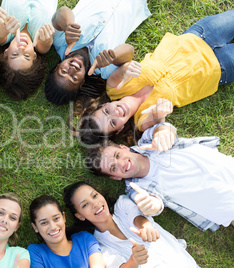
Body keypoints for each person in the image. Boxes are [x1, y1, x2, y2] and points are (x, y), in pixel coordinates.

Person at [78, 10, 234, 144]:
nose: (115, 113)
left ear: (102, 106)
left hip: (199, 36)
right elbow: (158, 124)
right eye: (113, 122)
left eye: (106, 112)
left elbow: (125, 64)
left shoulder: (114, 86)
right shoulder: (142, 121)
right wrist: (160, 117)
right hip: (218, 69)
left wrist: (126, 68)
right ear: (118, 130)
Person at [86, 122, 234, 231]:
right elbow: (155, 206)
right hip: (225, 205)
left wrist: (162, 133)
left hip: (227, 168)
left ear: (124, 148)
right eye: (113, 168)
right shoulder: (136, 190)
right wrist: (151, 205)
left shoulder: (148, 142)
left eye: (117, 155)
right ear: (116, 177)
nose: (121, 163)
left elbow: (164, 129)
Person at [64, 181, 199, 267]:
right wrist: (133, 261)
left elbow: (137, 217)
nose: (95, 204)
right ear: (80, 215)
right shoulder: (98, 245)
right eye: (85, 204)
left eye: (94, 196)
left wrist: (146, 227)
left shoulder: (121, 205)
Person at [45, 0, 151, 105]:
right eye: (74, 78)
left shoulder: (60, 42)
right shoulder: (104, 70)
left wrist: (68, 26)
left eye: (63, 72)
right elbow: (130, 50)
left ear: (56, 67)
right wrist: (114, 56)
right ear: (82, 83)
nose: (72, 70)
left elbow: (62, 12)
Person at [0, 0, 57, 100]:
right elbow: (46, 44)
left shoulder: (3, 37)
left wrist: (3, 29)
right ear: (34, 56)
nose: (21, 48)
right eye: (26, 56)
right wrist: (46, 39)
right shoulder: (40, 42)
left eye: (14, 54)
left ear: (6, 52)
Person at [27, 195, 105, 267]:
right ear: (35, 227)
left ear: (63, 217)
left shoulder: (85, 239)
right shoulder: (36, 252)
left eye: (56, 218)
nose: (53, 227)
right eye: (44, 223)